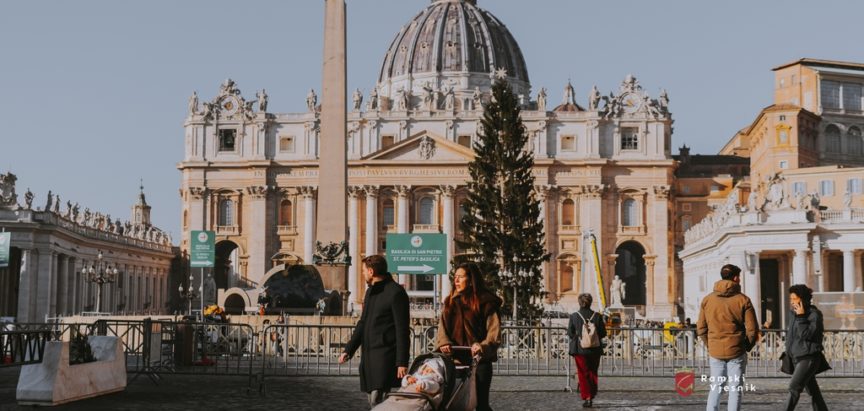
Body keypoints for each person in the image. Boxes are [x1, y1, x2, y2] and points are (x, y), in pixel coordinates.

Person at [340, 255, 411, 408]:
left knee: (377, 400)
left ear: (371, 271)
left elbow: (402, 329)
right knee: (372, 400)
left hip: (386, 355)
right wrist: (349, 349)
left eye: (364, 271)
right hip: (369, 356)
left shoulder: (396, 292)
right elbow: (363, 323)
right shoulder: (370, 292)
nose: (363, 274)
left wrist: (402, 362)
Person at [436, 262, 501, 411]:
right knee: (453, 403)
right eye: (455, 277)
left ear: (471, 280)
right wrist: (444, 343)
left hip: (479, 361)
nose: (456, 281)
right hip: (455, 360)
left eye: (460, 277)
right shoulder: (450, 302)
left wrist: (482, 346)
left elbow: (494, 332)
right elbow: (442, 329)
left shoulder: (486, 302)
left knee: (481, 404)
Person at [697, 264, 759, 411]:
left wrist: (710, 344)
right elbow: (752, 329)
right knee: (735, 389)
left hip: (715, 350)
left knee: (716, 387)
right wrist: (747, 346)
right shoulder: (743, 300)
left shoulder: (707, 299)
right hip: (737, 349)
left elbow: (701, 328)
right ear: (736, 278)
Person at [783, 284, 829, 411]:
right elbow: (792, 336)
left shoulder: (814, 315)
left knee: (794, 387)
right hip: (796, 357)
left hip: (808, 358)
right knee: (814, 392)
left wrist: (801, 317)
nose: (792, 302)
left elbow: (806, 335)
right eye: (791, 299)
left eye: (794, 299)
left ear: (802, 299)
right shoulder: (793, 314)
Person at [567, 293, 607, 408]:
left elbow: (570, 333)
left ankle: (587, 397)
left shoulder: (574, 316)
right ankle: (592, 394)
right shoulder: (597, 316)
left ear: (580, 302)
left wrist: (579, 335)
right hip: (595, 350)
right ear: (590, 302)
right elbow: (603, 333)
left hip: (580, 350)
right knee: (593, 372)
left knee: (583, 374)